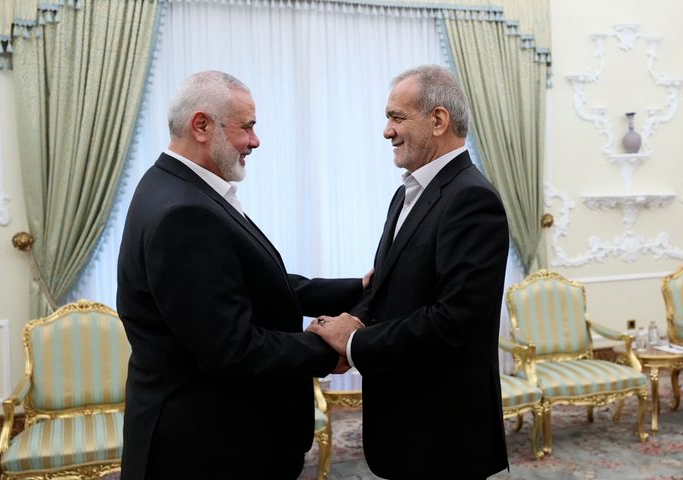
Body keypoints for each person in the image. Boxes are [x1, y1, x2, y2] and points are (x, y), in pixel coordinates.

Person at [116, 71, 366, 480]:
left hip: (213, 432)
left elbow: (257, 285)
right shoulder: (185, 212)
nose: (255, 140)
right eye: (247, 127)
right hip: (210, 445)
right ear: (202, 125)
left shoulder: (173, 184)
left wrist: (357, 288)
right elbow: (232, 348)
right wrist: (332, 347)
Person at [307, 65, 510, 478]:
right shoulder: (405, 194)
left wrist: (355, 343)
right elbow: (384, 284)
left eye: (397, 118)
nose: (387, 131)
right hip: (402, 418)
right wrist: (354, 320)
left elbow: (455, 321)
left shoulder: (472, 199)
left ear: (438, 120)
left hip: (443, 430)